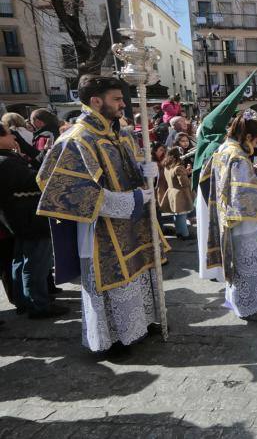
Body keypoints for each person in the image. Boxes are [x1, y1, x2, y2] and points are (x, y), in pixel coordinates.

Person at [36, 75, 165, 353]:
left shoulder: (120, 133)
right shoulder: (76, 139)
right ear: (96, 101)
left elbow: (130, 169)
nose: (122, 105)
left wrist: (146, 172)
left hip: (132, 221)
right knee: (111, 282)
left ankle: (142, 324)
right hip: (100, 229)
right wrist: (131, 200)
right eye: (116, 99)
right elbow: (71, 191)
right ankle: (114, 340)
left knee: (138, 273)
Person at [198, 110, 257, 321]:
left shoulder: (223, 149)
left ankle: (254, 302)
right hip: (244, 224)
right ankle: (249, 307)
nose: (256, 146)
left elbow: (206, 179)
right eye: (256, 141)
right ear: (248, 137)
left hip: (229, 218)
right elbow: (245, 195)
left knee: (248, 264)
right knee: (251, 266)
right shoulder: (238, 157)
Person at [0, 123, 68, 319]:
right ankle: (38, 305)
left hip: (20, 220)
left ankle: (24, 301)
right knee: (36, 263)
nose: (14, 137)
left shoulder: (8, 159)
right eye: (10, 134)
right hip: (30, 219)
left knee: (22, 260)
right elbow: (38, 180)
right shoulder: (7, 162)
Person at [160, 147, 193, 240]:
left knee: (176, 215)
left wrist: (185, 172)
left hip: (171, 192)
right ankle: (185, 235)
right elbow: (184, 183)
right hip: (180, 195)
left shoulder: (167, 167)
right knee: (182, 216)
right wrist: (189, 174)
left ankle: (178, 232)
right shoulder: (178, 168)